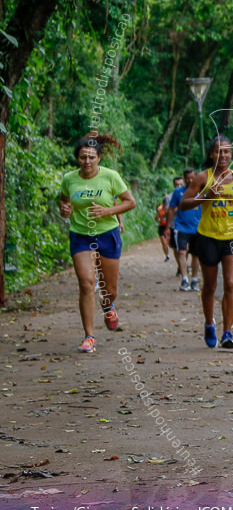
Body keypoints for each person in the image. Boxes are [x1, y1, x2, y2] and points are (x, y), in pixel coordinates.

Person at [58, 135, 137, 353]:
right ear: (77, 158)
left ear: (99, 158)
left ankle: (108, 305)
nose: (87, 161)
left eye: (91, 157)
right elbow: (63, 200)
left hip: (107, 234)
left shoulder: (111, 177)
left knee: (109, 290)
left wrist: (107, 211)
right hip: (81, 235)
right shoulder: (69, 179)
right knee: (86, 284)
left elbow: (130, 202)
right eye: (83, 157)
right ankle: (89, 337)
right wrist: (65, 209)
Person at [177, 136, 233, 349]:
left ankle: (228, 333)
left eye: (226, 151)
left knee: (231, 283)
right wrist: (206, 196)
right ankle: (209, 324)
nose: (222, 155)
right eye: (218, 151)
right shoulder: (202, 177)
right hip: (208, 236)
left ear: (231, 154)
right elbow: (184, 204)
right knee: (210, 286)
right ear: (211, 154)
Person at [167, 167, 201, 292]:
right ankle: (185, 279)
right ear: (184, 178)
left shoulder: (202, 191)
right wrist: (167, 227)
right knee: (181, 252)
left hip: (198, 228)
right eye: (187, 178)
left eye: (192, 178)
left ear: (196, 177)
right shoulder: (178, 192)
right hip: (181, 227)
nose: (190, 180)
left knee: (196, 255)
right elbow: (171, 209)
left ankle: (194, 280)